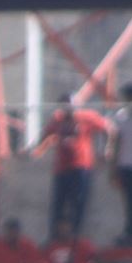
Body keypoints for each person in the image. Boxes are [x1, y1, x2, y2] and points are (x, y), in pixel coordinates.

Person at [34, 94, 113, 236]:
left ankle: (76, 235)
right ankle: (56, 236)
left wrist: (106, 148)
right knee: (58, 204)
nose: (66, 109)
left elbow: (108, 128)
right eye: (63, 106)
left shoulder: (86, 116)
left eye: (68, 105)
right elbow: (45, 133)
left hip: (81, 166)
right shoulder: (58, 119)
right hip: (62, 167)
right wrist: (37, 149)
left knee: (78, 203)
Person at [108, 83, 132, 244]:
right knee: (129, 202)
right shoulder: (122, 118)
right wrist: (113, 169)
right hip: (126, 166)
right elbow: (116, 144)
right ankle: (129, 232)